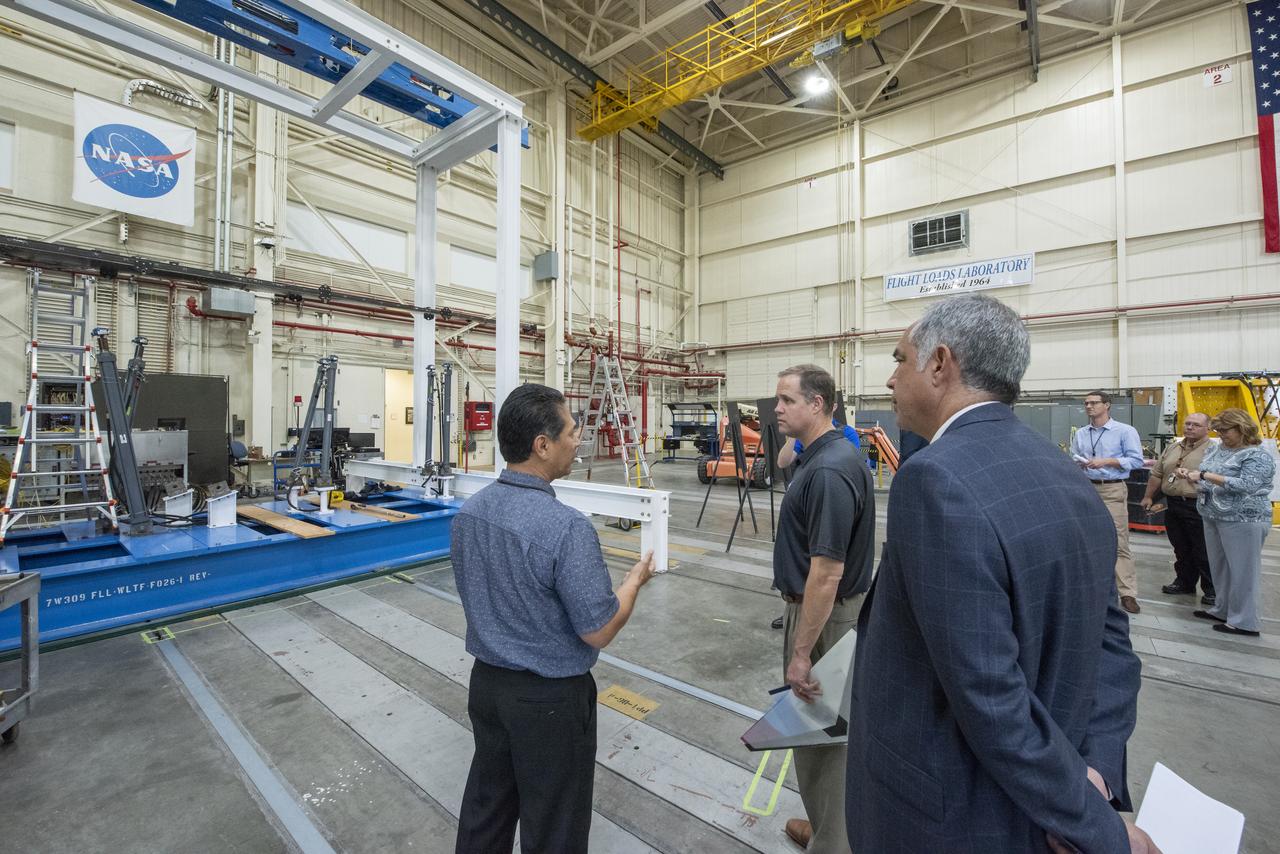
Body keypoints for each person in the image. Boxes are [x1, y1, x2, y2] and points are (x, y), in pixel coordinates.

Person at [848, 294, 1156, 853]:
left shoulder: (934, 479)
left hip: (952, 814)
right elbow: (1112, 644)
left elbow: (987, 689)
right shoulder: (1065, 475)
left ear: (940, 365)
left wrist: (1089, 821)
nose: (891, 380)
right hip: (1046, 798)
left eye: (898, 360)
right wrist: (1094, 773)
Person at [451, 383, 656, 854]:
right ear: (542, 446)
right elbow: (599, 628)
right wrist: (632, 584)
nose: (578, 439)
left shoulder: (470, 513)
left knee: (488, 811)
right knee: (555, 828)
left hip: (487, 688)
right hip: (549, 703)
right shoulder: (566, 527)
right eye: (570, 431)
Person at [773, 364, 875, 853]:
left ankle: (834, 843)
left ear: (817, 404)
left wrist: (800, 653)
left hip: (825, 618)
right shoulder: (820, 456)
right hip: (821, 614)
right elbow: (782, 460)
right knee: (813, 734)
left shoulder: (832, 470)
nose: (776, 409)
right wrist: (798, 441)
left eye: (787, 400)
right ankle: (825, 827)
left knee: (826, 741)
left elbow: (827, 573)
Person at [1180, 408, 1276, 637]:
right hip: (1213, 515)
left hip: (1243, 519)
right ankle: (1222, 609)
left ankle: (1245, 621)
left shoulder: (1257, 454)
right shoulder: (1218, 449)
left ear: (1241, 428)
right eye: (1219, 430)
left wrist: (1205, 476)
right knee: (1219, 567)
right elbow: (1206, 475)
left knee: (1243, 571)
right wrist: (1191, 475)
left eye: (1225, 430)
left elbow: (1248, 485)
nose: (1221, 434)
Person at [1071, 391, 1146, 613]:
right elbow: (1075, 456)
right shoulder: (1082, 433)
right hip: (1086, 489)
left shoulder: (1124, 431)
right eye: (1086, 403)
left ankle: (1128, 593)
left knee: (1118, 540)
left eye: (1094, 403)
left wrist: (1107, 461)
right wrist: (1081, 464)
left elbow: (1136, 460)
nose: (1089, 406)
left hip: (1112, 489)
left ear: (1107, 405)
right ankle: (1091, 587)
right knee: (1086, 539)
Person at [1141, 413, 1216, 605]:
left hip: (1199, 504)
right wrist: (1149, 496)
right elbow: (1157, 474)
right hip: (1174, 504)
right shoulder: (1173, 447)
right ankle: (1184, 582)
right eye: (1188, 423)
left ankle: (1211, 589)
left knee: (1203, 549)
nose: (1190, 427)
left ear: (1208, 428)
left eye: (1196, 425)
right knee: (1180, 547)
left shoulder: (1214, 450)